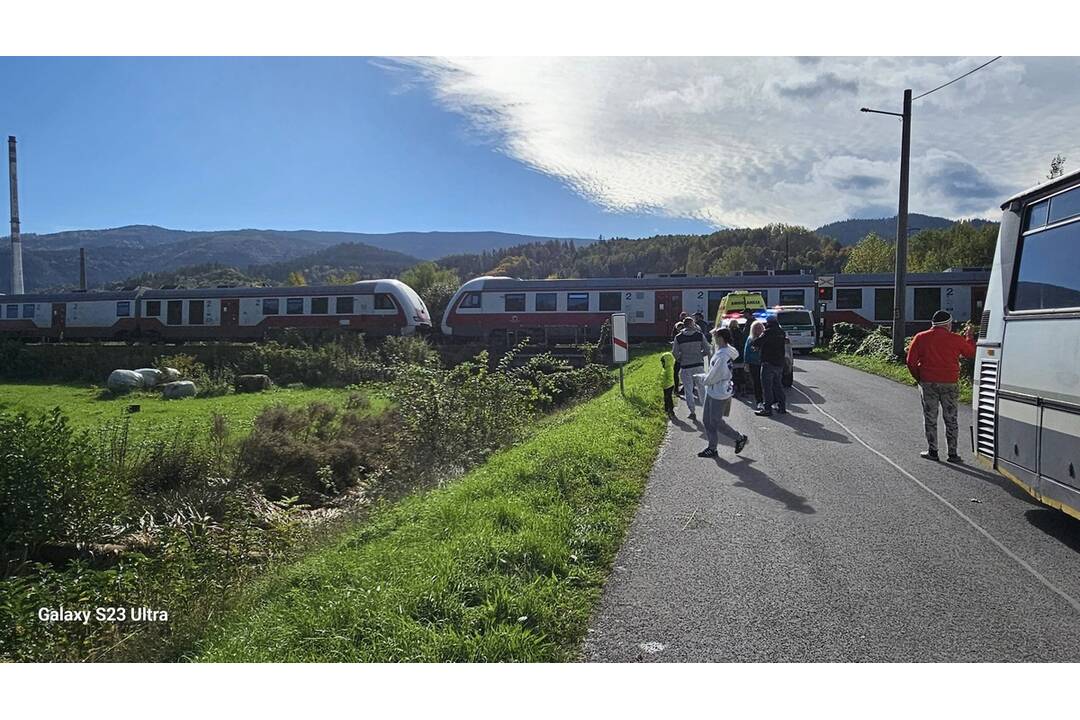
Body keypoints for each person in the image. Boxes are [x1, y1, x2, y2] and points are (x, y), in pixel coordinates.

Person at [905, 310, 977, 463]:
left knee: (930, 417)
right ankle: (952, 454)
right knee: (951, 418)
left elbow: (910, 362)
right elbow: (971, 353)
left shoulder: (920, 337)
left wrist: (920, 378)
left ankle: (933, 451)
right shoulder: (956, 339)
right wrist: (969, 337)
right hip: (950, 382)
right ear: (948, 324)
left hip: (928, 383)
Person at [696, 326, 749, 457]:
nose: (713, 339)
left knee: (715, 421)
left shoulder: (722, 355)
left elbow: (715, 375)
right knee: (707, 420)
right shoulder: (726, 351)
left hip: (718, 391)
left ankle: (739, 438)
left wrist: (703, 380)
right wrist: (706, 378)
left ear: (720, 338)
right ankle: (712, 447)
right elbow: (715, 373)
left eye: (715, 337)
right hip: (716, 389)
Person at [672, 316, 711, 421]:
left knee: (688, 390)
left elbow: (674, 353)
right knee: (702, 389)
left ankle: (692, 412)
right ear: (692, 324)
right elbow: (708, 349)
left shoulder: (678, 337)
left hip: (685, 367)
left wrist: (681, 359)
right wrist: (700, 355)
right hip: (698, 365)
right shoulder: (699, 335)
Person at [752, 316, 787, 416]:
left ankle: (767, 409)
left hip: (768, 363)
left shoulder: (768, 332)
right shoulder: (781, 332)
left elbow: (757, 342)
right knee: (778, 386)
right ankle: (782, 407)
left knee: (767, 387)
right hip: (779, 363)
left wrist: (755, 342)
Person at [743, 319, 765, 410]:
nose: (758, 330)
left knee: (766, 383)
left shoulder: (765, 338)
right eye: (756, 328)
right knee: (757, 383)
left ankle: (769, 400)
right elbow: (746, 351)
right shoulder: (750, 339)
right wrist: (746, 363)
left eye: (760, 328)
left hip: (764, 363)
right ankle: (759, 401)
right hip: (753, 363)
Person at [659, 349, 676, 417]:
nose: (662, 363)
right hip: (666, 386)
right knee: (666, 397)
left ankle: (671, 410)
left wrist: (666, 385)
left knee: (668, 398)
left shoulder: (669, 369)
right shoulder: (665, 368)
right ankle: (666, 409)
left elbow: (670, 379)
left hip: (668, 386)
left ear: (667, 361)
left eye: (663, 362)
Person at [672, 321, 685, 395]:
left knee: (677, 373)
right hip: (684, 357)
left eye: (678, 329)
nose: (678, 331)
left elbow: (674, 351)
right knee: (681, 373)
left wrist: (677, 358)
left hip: (680, 358)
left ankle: (677, 389)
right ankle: (679, 388)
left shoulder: (679, 336)